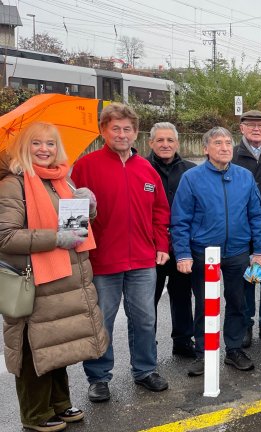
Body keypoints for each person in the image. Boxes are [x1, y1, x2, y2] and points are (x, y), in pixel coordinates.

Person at [0, 123, 109, 432]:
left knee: (57, 344)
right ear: (23, 146)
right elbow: (5, 237)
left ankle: (59, 403)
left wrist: (88, 206)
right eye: (36, 143)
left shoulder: (60, 180)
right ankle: (35, 413)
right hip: (34, 281)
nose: (44, 149)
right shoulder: (13, 184)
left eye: (50, 143)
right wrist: (56, 238)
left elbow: (74, 231)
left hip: (63, 280)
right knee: (33, 347)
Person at [71, 103, 170, 403]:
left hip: (142, 260)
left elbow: (161, 212)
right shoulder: (85, 166)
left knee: (144, 319)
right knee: (102, 320)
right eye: (116, 128)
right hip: (102, 261)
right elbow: (70, 213)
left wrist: (161, 245)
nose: (122, 134)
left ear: (136, 132)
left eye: (128, 129)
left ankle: (144, 370)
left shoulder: (146, 169)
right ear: (103, 131)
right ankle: (99, 377)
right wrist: (77, 238)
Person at [171, 127, 261, 376]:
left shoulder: (245, 177)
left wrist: (259, 251)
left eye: (228, 143)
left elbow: (257, 215)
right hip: (204, 253)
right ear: (206, 149)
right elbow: (180, 219)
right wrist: (182, 253)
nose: (224, 147)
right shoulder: (192, 178)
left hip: (238, 252)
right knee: (205, 304)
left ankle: (234, 348)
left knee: (238, 302)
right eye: (218, 143)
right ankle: (205, 352)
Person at [146, 122, 196, 359]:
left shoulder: (191, 170)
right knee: (147, 300)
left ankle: (183, 341)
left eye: (170, 140)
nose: (165, 144)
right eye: (160, 140)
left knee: (182, 296)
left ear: (177, 143)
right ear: (150, 143)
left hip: (181, 246)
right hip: (150, 247)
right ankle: (147, 346)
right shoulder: (141, 168)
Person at [232, 110, 261, 347]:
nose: (256, 129)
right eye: (251, 125)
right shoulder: (232, 156)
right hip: (242, 228)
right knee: (247, 279)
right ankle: (246, 323)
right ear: (241, 129)